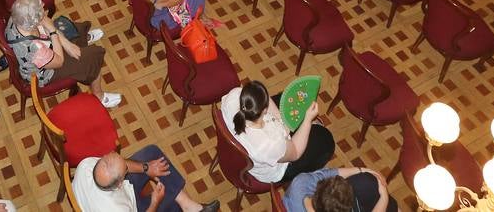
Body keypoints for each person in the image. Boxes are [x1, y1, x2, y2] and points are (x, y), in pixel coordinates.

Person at [4, 0, 119, 109]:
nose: (44, 9)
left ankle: (81, 41)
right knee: (93, 57)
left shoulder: (17, 17)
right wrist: (53, 32)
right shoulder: (35, 50)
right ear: (35, 21)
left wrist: (66, 44)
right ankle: (99, 96)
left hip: (46, 46)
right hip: (47, 72)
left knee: (73, 30)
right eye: (41, 8)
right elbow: (59, 62)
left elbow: (43, 21)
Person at [220, 80, 335, 183]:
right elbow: (295, 152)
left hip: (259, 142)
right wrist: (307, 120)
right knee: (325, 140)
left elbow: (266, 99)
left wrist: (280, 119)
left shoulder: (234, 96)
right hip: (274, 166)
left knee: (286, 100)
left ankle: (303, 127)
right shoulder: (271, 144)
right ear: (264, 110)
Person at [74, 149, 220, 212]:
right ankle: (186, 208)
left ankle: (189, 206)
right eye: (125, 169)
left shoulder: (86, 165)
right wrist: (155, 202)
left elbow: (122, 165)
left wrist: (146, 167)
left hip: (111, 196)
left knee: (151, 152)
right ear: (119, 184)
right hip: (132, 207)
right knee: (170, 201)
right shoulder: (117, 209)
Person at [284, 167, 398, 212]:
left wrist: (365, 170)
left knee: (366, 180)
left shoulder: (299, 183)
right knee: (368, 185)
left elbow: (332, 172)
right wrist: (384, 197)